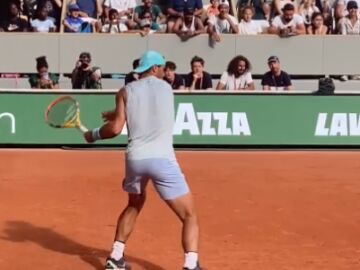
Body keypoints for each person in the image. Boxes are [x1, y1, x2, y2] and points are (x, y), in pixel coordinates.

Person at [83, 50, 203, 270]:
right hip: (162, 160)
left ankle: (115, 257)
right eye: (163, 67)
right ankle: (191, 264)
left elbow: (116, 128)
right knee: (189, 215)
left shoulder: (125, 91)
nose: (166, 71)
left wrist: (93, 134)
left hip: (135, 159)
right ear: (155, 68)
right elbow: (151, 106)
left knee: (134, 204)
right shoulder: (167, 88)